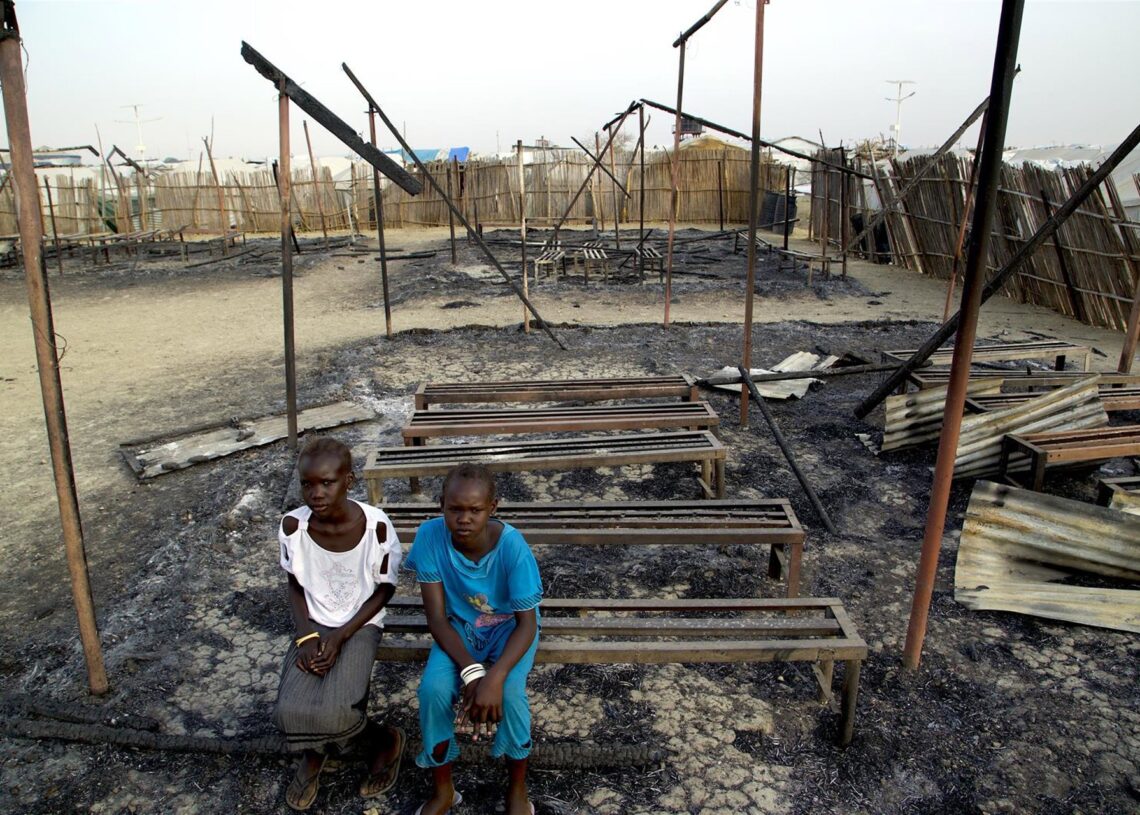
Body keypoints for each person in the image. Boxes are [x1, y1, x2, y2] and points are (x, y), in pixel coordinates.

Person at [273, 437, 405, 811]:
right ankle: (315, 752)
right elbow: (295, 582)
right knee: (286, 714)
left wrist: (340, 636)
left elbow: (384, 591)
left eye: (327, 483)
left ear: (348, 480)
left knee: (336, 712)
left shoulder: (375, 527)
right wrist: (306, 636)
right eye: (307, 484)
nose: (316, 493)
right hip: (314, 623)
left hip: (360, 624)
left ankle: (384, 740)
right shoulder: (292, 527)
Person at [405, 463, 542, 815]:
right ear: (441, 505)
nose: (463, 519)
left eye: (475, 510)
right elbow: (436, 618)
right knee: (433, 691)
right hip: (460, 630)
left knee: (509, 694)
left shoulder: (512, 547)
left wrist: (493, 678)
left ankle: (516, 788)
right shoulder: (430, 537)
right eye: (455, 509)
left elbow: (526, 624)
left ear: (492, 508)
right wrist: (472, 672)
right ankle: (444, 789)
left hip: (510, 630)